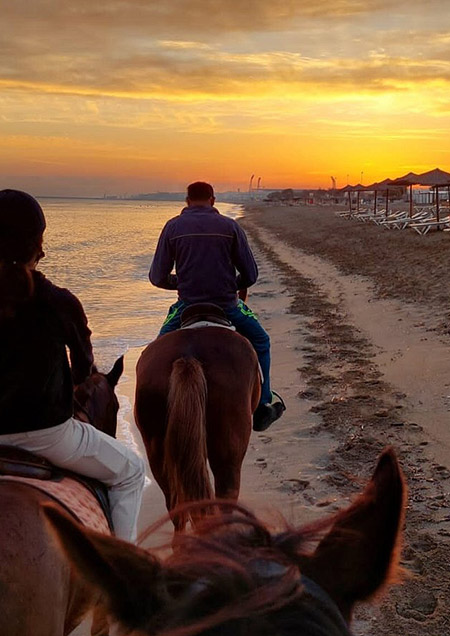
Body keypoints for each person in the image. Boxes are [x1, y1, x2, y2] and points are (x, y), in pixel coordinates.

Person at [0, 189, 145, 542]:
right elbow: (83, 371)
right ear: (38, 246)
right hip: (48, 436)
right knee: (131, 472)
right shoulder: (58, 301)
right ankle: (120, 564)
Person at [149, 181, 285, 431]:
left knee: (154, 353)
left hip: (186, 306)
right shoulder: (230, 226)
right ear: (213, 200)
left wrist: (183, 282)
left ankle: (154, 409)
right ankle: (262, 405)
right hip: (227, 305)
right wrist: (229, 284)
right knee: (261, 341)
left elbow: (157, 277)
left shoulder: (172, 227)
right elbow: (251, 275)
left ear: (187, 201)